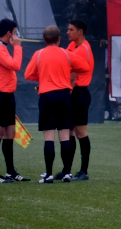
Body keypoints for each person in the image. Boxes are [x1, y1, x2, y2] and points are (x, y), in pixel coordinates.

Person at [25, 25, 91, 182]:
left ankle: (48, 175)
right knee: (64, 135)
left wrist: (44, 76)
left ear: (44, 40)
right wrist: (64, 71)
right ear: (59, 39)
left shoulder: (39, 54)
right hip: (64, 95)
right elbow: (85, 67)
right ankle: (67, 173)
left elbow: (28, 74)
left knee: (49, 136)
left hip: (47, 95)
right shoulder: (66, 54)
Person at [0, 19, 28, 182]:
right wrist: (17, 47)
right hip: (1, 95)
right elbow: (15, 65)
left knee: (10, 133)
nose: (16, 36)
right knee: (1, 133)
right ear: (9, 33)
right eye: (15, 32)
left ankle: (11, 171)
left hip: (7, 95)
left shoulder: (4, 48)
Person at [66, 19, 94, 180]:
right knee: (69, 131)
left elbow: (72, 76)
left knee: (80, 132)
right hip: (73, 93)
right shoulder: (73, 46)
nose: (68, 32)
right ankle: (67, 170)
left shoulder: (82, 50)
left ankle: (84, 171)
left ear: (80, 32)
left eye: (71, 30)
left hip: (78, 93)